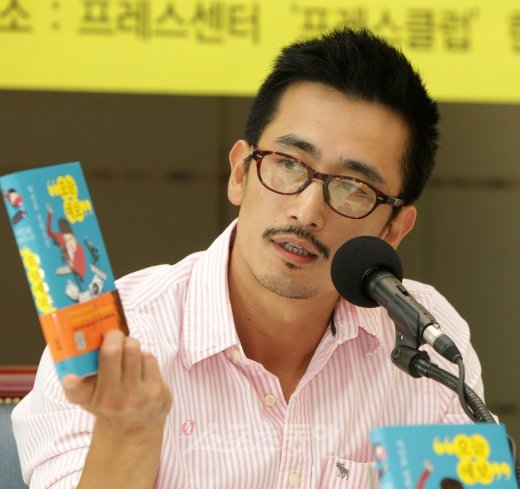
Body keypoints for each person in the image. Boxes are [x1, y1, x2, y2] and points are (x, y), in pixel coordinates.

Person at [12, 27, 486, 488]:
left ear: (395, 228)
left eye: (353, 188)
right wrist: (127, 435)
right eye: (289, 164)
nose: (307, 212)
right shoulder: (121, 338)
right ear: (240, 172)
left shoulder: (427, 338)